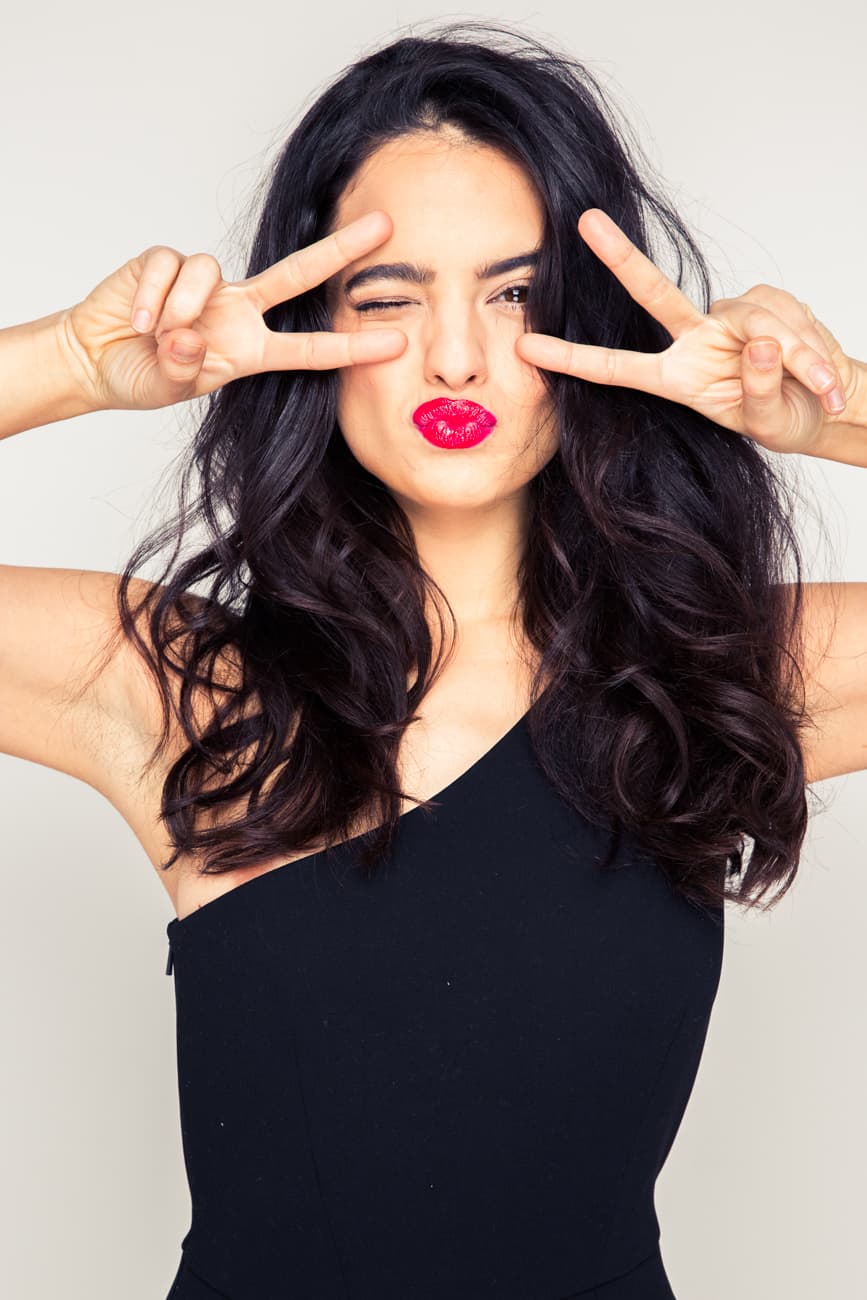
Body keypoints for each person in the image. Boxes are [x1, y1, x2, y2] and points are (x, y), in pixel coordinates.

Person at [2, 19, 865, 1300]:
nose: (455, 354)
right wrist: (72, 364)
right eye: (389, 298)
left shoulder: (722, 670)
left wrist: (836, 413)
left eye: (515, 295)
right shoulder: (181, 690)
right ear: (311, 327)